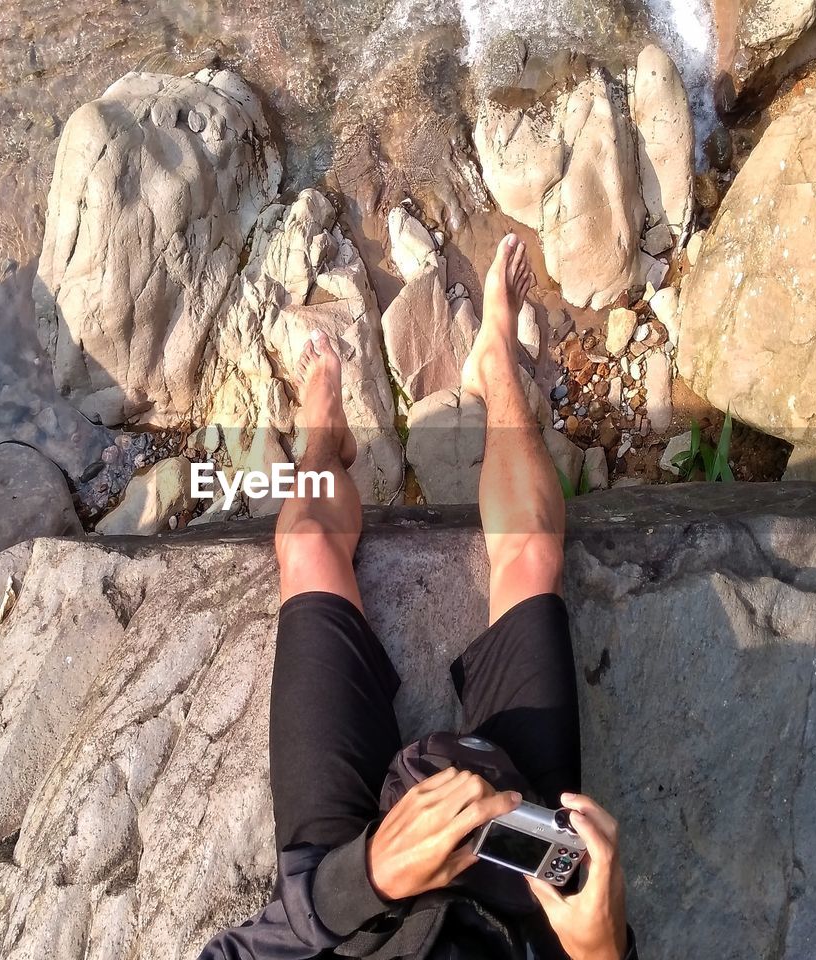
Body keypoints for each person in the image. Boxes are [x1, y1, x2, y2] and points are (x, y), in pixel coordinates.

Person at [199, 234, 635, 960]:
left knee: (307, 547)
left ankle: (323, 439)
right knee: (531, 557)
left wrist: (364, 879)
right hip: (516, 920)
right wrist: (600, 950)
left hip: (348, 917)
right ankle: (495, 361)